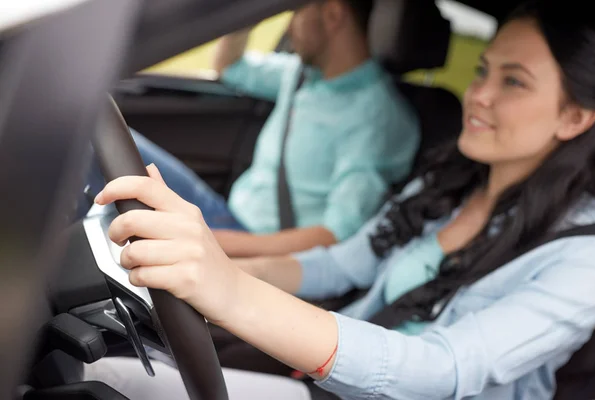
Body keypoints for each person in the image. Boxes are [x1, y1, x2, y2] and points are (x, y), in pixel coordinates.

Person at [84, 0, 595, 398]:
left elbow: (444, 370)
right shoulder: (451, 183)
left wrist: (234, 293)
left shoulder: (585, 258)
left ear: (574, 117)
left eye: (514, 81)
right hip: (331, 375)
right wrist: (221, 266)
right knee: (95, 368)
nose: (479, 93)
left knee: (111, 382)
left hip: (358, 382)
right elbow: (339, 264)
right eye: (484, 70)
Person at [88, 0, 420, 258]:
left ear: (333, 14)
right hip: (223, 211)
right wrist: (247, 13)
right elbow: (229, 66)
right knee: (94, 137)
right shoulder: (302, 75)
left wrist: (210, 239)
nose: (290, 27)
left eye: (295, 11)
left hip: (253, 242)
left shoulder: (377, 118)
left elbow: (332, 237)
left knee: (98, 149)